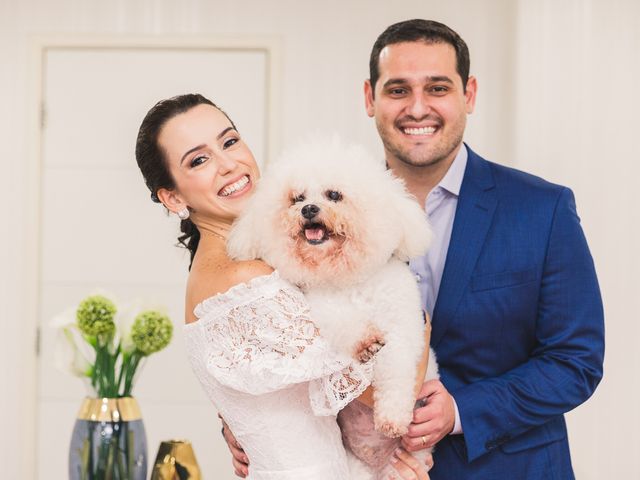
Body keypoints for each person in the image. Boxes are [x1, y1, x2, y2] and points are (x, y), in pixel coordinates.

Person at [224, 19, 605, 480]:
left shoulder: (542, 209)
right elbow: (273, 342)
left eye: (438, 88)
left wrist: (462, 410)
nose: (417, 107)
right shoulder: (305, 220)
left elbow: (575, 360)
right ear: (371, 98)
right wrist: (251, 426)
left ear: (470, 94)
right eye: (398, 89)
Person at [134, 93, 432, 479]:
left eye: (229, 141)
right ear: (172, 196)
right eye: (199, 160)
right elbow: (374, 391)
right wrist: (419, 320)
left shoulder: (240, 267)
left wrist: (236, 425)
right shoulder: (248, 282)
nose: (228, 164)